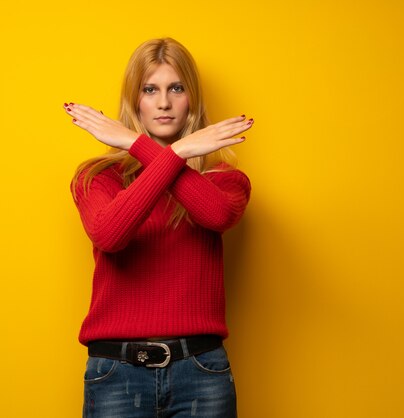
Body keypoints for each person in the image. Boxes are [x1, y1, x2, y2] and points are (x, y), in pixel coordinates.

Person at [63, 37, 252, 417]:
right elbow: (109, 236)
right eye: (150, 89)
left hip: (200, 370)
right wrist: (170, 152)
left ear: (191, 99)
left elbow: (215, 216)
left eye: (176, 88)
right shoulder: (97, 177)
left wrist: (154, 148)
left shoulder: (224, 180)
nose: (163, 103)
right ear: (136, 100)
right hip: (116, 372)